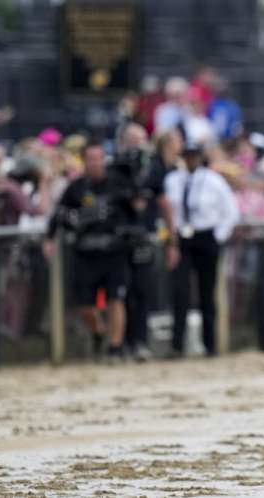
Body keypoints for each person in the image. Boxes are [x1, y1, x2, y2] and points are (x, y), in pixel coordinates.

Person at [43, 141, 141, 364]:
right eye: (91, 159)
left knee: (116, 300)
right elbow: (59, 215)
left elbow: (135, 213)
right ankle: (99, 331)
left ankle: (115, 348)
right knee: (85, 305)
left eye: (99, 158)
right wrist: (49, 239)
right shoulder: (76, 188)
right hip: (85, 252)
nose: (96, 163)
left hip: (114, 252)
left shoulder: (119, 184)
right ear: (84, 161)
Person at [163, 143, 239, 357]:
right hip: (182, 239)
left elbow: (230, 211)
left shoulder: (214, 181)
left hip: (206, 237)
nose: (190, 160)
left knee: (207, 292)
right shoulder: (173, 180)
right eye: (187, 156)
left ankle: (210, 344)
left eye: (194, 156)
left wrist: (218, 235)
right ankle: (177, 344)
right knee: (180, 291)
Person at [115, 123, 179, 362]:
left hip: (145, 238)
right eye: (132, 140)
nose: (137, 146)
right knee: (119, 294)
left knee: (142, 291)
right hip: (119, 241)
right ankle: (119, 342)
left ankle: (139, 341)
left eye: (141, 140)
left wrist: (172, 240)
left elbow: (164, 204)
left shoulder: (153, 170)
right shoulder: (115, 170)